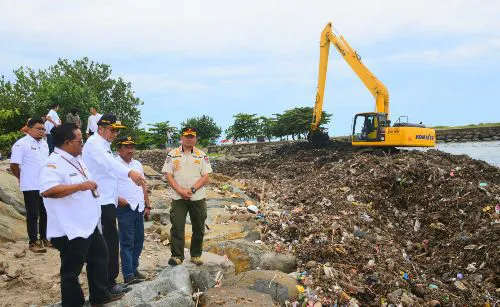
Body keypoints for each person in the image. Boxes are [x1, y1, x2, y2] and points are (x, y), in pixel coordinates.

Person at [39, 123, 124, 306]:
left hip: (88, 225)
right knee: (71, 270)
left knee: (100, 257)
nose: (82, 144)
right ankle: (73, 303)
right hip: (70, 228)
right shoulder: (52, 164)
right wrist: (80, 186)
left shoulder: (77, 159)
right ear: (67, 142)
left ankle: (99, 296)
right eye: (80, 141)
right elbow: (48, 190)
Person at [82, 114, 146, 295]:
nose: (115, 134)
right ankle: (106, 285)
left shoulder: (104, 145)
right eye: (112, 130)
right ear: (100, 128)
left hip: (107, 201)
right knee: (105, 245)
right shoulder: (94, 144)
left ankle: (110, 282)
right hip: (99, 202)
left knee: (111, 243)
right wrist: (130, 173)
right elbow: (109, 164)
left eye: (117, 131)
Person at [162, 127, 212, 266]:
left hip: (197, 197)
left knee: (199, 226)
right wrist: (180, 190)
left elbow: (206, 176)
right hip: (179, 198)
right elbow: (168, 175)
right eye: (187, 136)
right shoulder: (172, 154)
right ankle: (177, 256)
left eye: (192, 136)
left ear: (195, 138)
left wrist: (193, 189)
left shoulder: (202, 155)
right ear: (182, 138)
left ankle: (196, 255)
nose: (189, 138)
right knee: (177, 226)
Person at [10, 118, 50, 253]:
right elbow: (14, 165)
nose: (42, 131)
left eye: (43, 129)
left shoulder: (44, 144)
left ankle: (45, 238)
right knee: (33, 214)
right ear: (29, 128)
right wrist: (22, 178)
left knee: (46, 212)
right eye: (39, 129)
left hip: (44, 184)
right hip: (30, 184)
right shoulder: (21, 144)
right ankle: (33, 242)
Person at [115, 136, 151, 285]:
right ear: (119, 149)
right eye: (126, 147)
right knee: (127, 242)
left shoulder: (137, 164)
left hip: (139, 207)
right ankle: (128, 274)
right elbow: (105, 185)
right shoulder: (114, 164)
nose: (130, 150)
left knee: (139, 241)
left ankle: (134, 269)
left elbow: (143, 185)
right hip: (125, 208)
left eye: (132, 147)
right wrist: (117, 198)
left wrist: (147, 204)